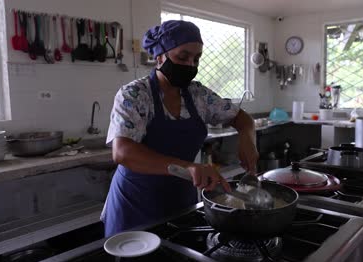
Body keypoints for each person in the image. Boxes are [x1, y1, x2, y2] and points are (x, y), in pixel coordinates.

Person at [102, 20, 258, 237]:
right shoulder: (134, 95)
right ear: (159, 57)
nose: (191, 65)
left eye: (196, 59)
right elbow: (122, 152)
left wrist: (247, 139)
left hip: (181, 201)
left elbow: (243, 119)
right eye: (183, 57)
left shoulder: (198, 95)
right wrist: (188, 166)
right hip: (136, 203)